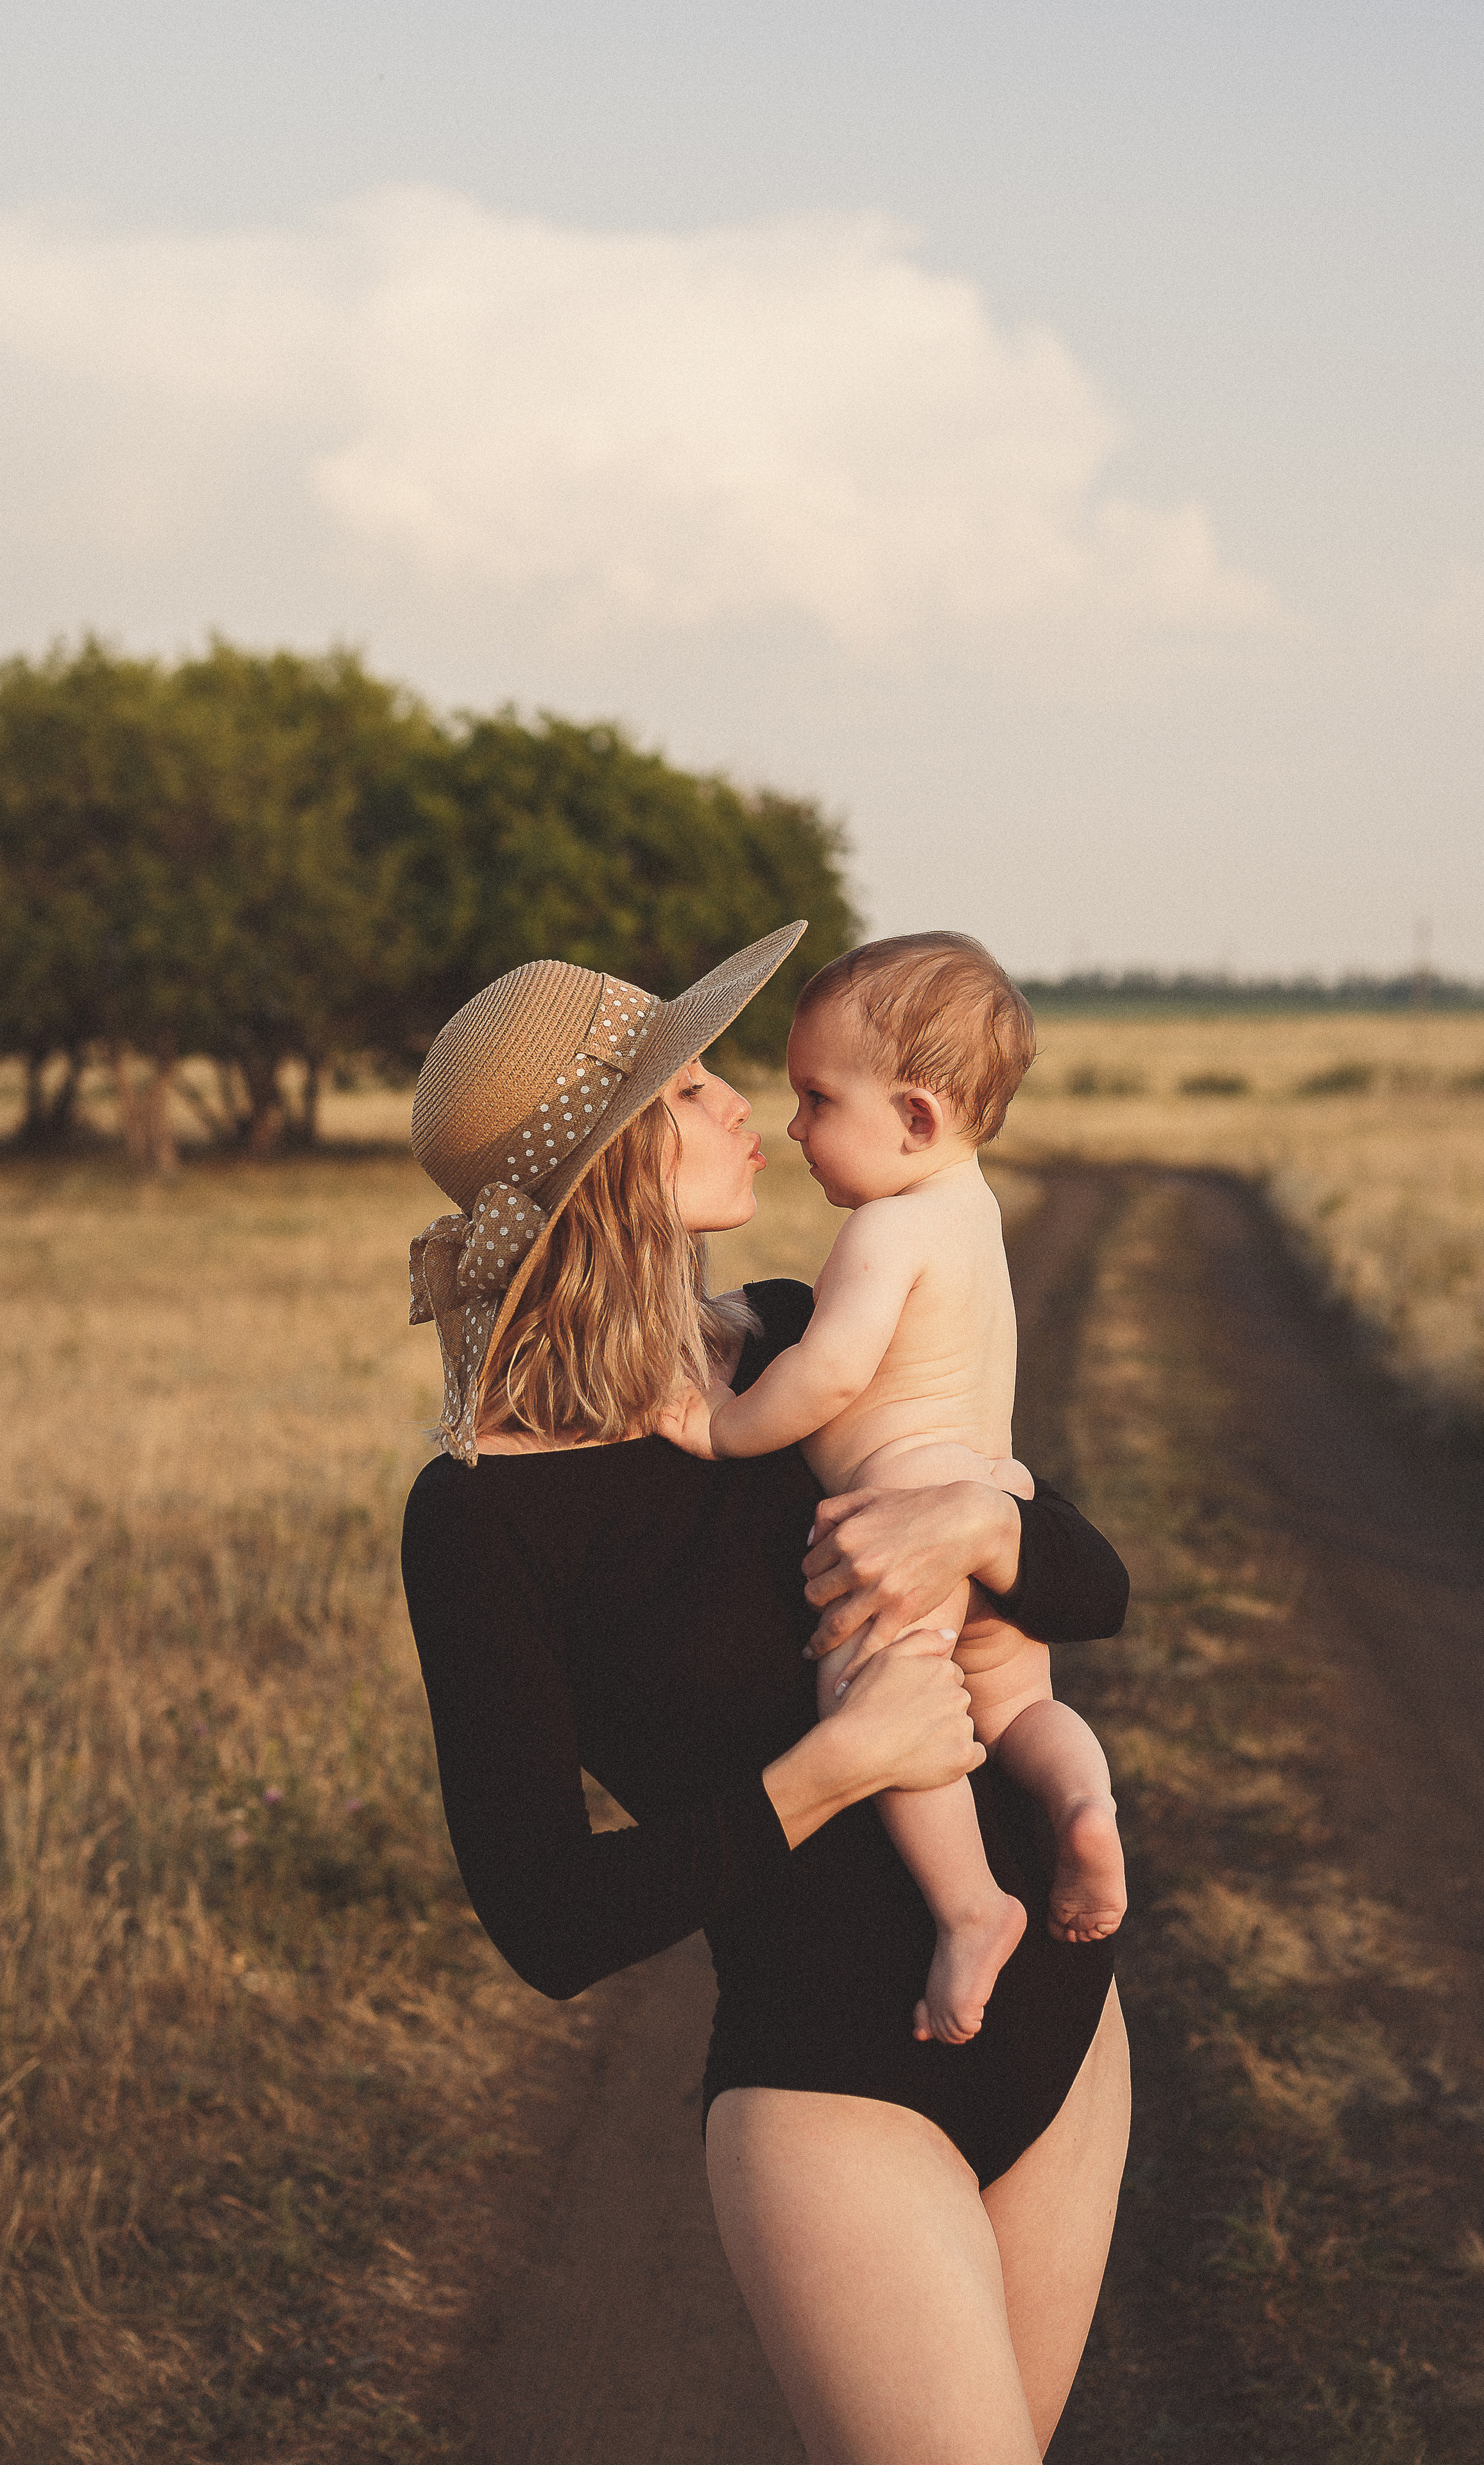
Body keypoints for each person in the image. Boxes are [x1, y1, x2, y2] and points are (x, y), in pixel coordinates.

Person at [399, 924, 1133, 2462]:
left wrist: (985, 1524)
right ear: (609, 1165)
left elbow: (1094, 1590)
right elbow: (547, 1920)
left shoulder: (796, 1336)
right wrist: (836, 1766)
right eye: (684, 1089)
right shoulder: (481, 1517)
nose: (739, 1102)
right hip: (834, 2087)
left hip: (1067, 2032)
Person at [662, 933, 1125, 2050]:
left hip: (900, 1507)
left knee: (872, 1697)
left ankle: (971, 1909)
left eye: (818, 1100)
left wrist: (722, 1428)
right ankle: (1084, 1804)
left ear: (916, 1118)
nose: (793, 1127)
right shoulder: (971, 1210)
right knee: (1016, 1708)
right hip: (990, 1492)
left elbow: (828, 1373)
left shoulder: (884, 1227)